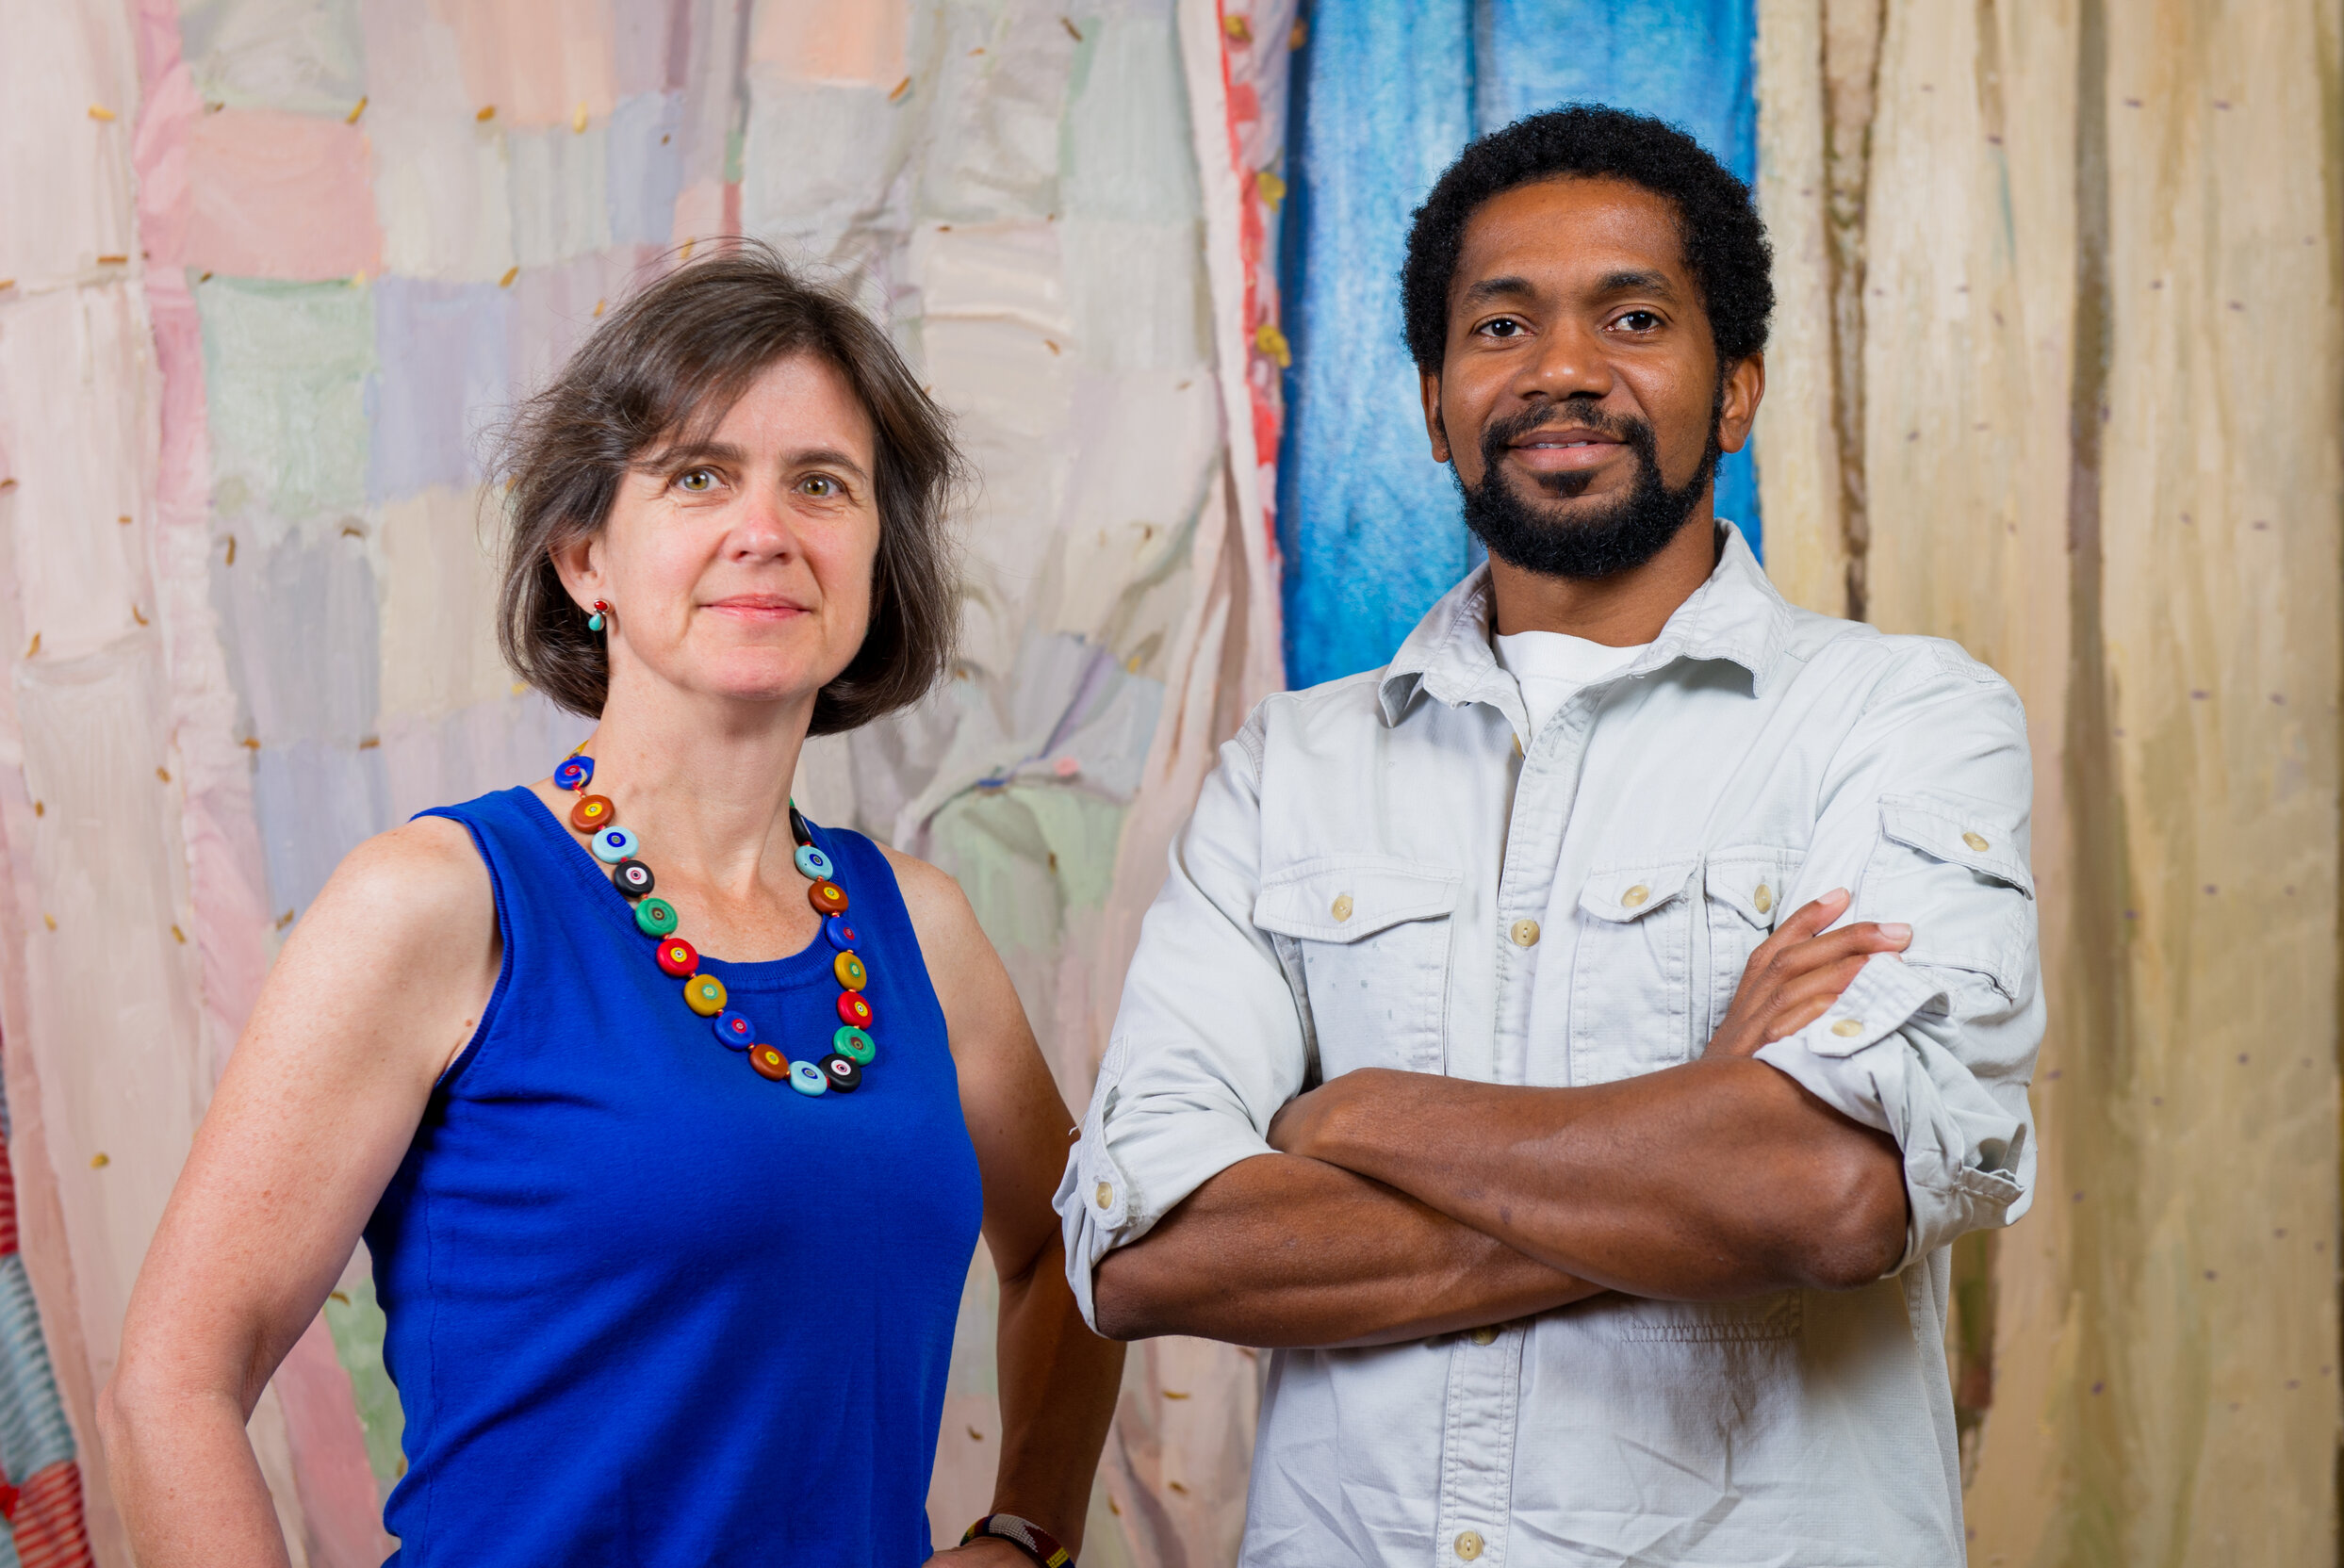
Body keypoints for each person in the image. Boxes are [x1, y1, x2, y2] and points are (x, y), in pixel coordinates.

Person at [1057, 105, 2041, 1567]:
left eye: (1633, 316)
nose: (1564, 370)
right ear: (1436, 400)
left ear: (1737, 389)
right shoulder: (1290, 770)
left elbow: (1831, 1196)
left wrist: (1353, 1116)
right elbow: (1151, 1254)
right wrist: (1704, 1116)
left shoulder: (1899, 717)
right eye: (1502, 326)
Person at [103, 243, 1123, 1568]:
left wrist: (1022, 1537)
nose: (766, 528)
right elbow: (171, 1387)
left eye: (822, 484)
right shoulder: (441, 904)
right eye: (699, 476)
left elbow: (1076, 1255)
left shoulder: (921, 934)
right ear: (586, 557)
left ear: (876, 565)